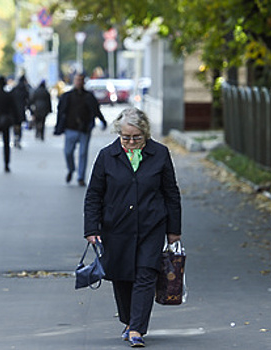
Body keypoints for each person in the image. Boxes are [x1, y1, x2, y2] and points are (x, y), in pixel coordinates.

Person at [83, 107, 182, 347]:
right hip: (116, 227)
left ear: (146, 134)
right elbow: (94, 194)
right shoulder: (107, 156)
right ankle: (128, 321)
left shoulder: (160, 154)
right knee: (122, 276)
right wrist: (91, 229)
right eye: (125, 137)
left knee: (146, 274)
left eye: (136, 138)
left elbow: (171, 193)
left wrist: (174, 229)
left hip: (151, 226)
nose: (130, 142)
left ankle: (137, 328)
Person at [54, 73, 107, 186]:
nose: (79, 82)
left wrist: (103, 121)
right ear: (74, 81)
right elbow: (61, 112)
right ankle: (71, 169)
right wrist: (58, 127)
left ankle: (80, 177)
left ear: (84, 82)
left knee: (83, 153)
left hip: (84, 129)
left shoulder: (88, 96)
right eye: (77, 80)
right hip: (70, 128)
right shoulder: (67, 96)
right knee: (68, 152)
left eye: (81, 80)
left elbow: (96, 110)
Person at [11, 75, 31, 149]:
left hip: (13, 110)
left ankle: (15, 137)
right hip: (21, 110)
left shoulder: (14, 89)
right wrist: (29, 108)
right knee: (19, 125)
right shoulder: (25, 89)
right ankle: (18, 139)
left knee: (15, 125)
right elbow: (28, 100)